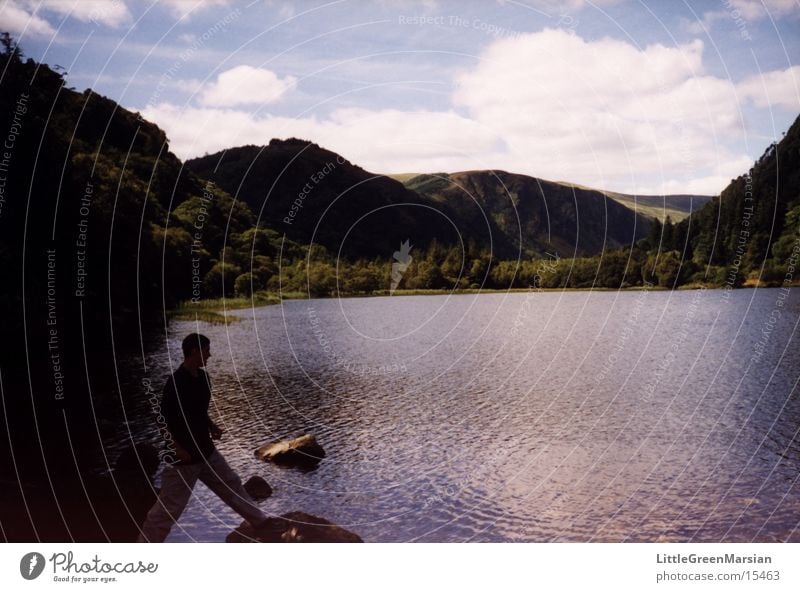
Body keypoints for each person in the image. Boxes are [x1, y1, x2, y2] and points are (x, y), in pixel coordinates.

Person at [137, 333, 271, 542]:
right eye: (206, 350)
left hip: (206, 451)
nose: (209, 355)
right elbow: (162, 419)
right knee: (168, 509)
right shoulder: (176, 382)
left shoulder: (203, 379)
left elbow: (198, 412)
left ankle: (261, 522)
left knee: (232, 484)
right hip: (183, 459)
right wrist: (176, 447)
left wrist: (211, 426)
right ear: (194, 351)